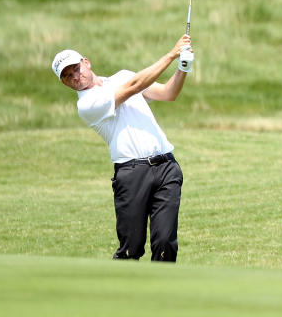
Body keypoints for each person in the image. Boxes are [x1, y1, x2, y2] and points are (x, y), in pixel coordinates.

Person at [51, 35, 194, 262]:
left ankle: (164, 295)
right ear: (64, 83)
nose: (75, 77)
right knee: (131, 249)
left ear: (86, 62)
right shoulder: (87, 105)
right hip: (131, 173)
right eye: (67, 76)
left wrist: (183, 66)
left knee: (166, 245)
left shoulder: (123, 76)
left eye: (76, 69)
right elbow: (135, 86)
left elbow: (169, 94)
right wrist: (171, 54)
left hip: (167, 167)